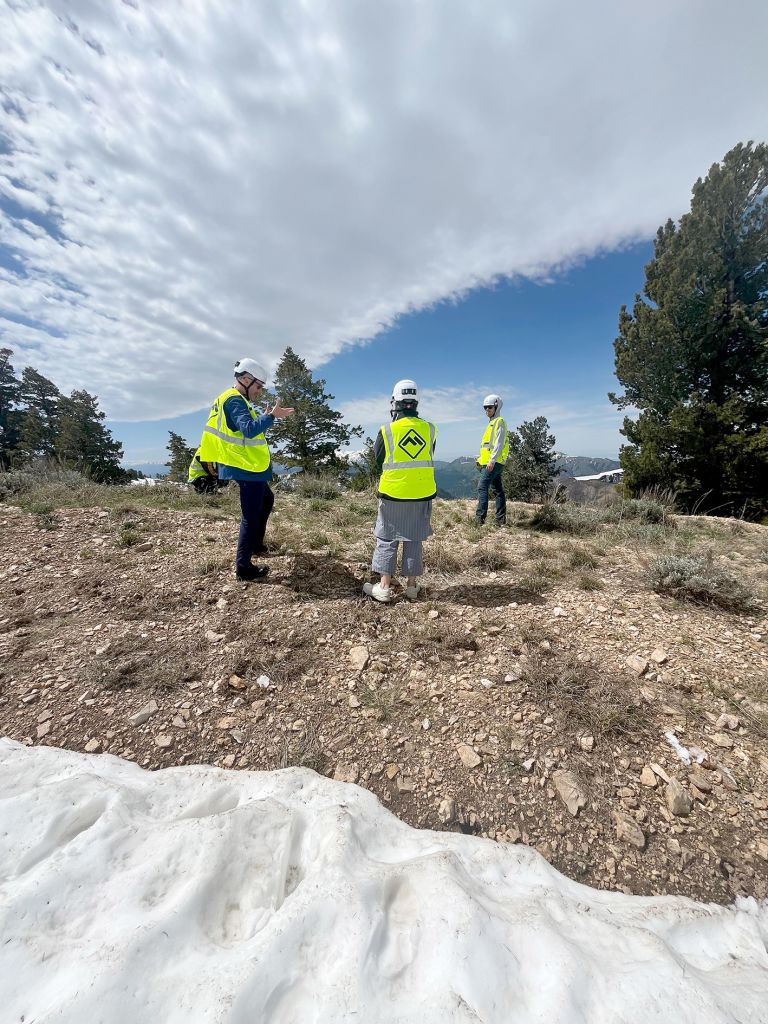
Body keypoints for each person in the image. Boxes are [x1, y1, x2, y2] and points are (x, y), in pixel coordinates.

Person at [198, 358, 293, 581]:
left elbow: (244, 430)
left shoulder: (234, 399)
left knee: (267, 499)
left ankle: (256, 545)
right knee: (250, 515)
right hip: (245, 466)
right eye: (258, 386)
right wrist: (271, 416)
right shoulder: (234, 401)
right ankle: (243, 567)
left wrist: (265, 417)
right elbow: (249, 430)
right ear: (246, 379)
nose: (259, 391)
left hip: (246, 465)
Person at [363, 379, 437, 603]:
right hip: (422, 493)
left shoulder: (387, 430)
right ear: (416, 403)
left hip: (393, 493)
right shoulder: (430, 428)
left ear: (394, 402)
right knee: (414, 538)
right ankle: (412, 587)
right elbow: (429, 454)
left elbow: (376, 460)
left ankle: (384, 587)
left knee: (387, 537)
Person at [475, 394, 508, 525]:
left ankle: (479, 519)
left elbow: (499, 443)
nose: (487, 410)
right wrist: (480, 460)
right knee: (498, 490)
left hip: (494, 462)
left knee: (482, 487)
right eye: (485, 408)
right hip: (492, 462)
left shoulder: (499, 422)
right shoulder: (492, 423)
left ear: (496, 406)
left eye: (489, 407)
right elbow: (488, 446)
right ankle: (500, 519)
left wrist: (492, 460)